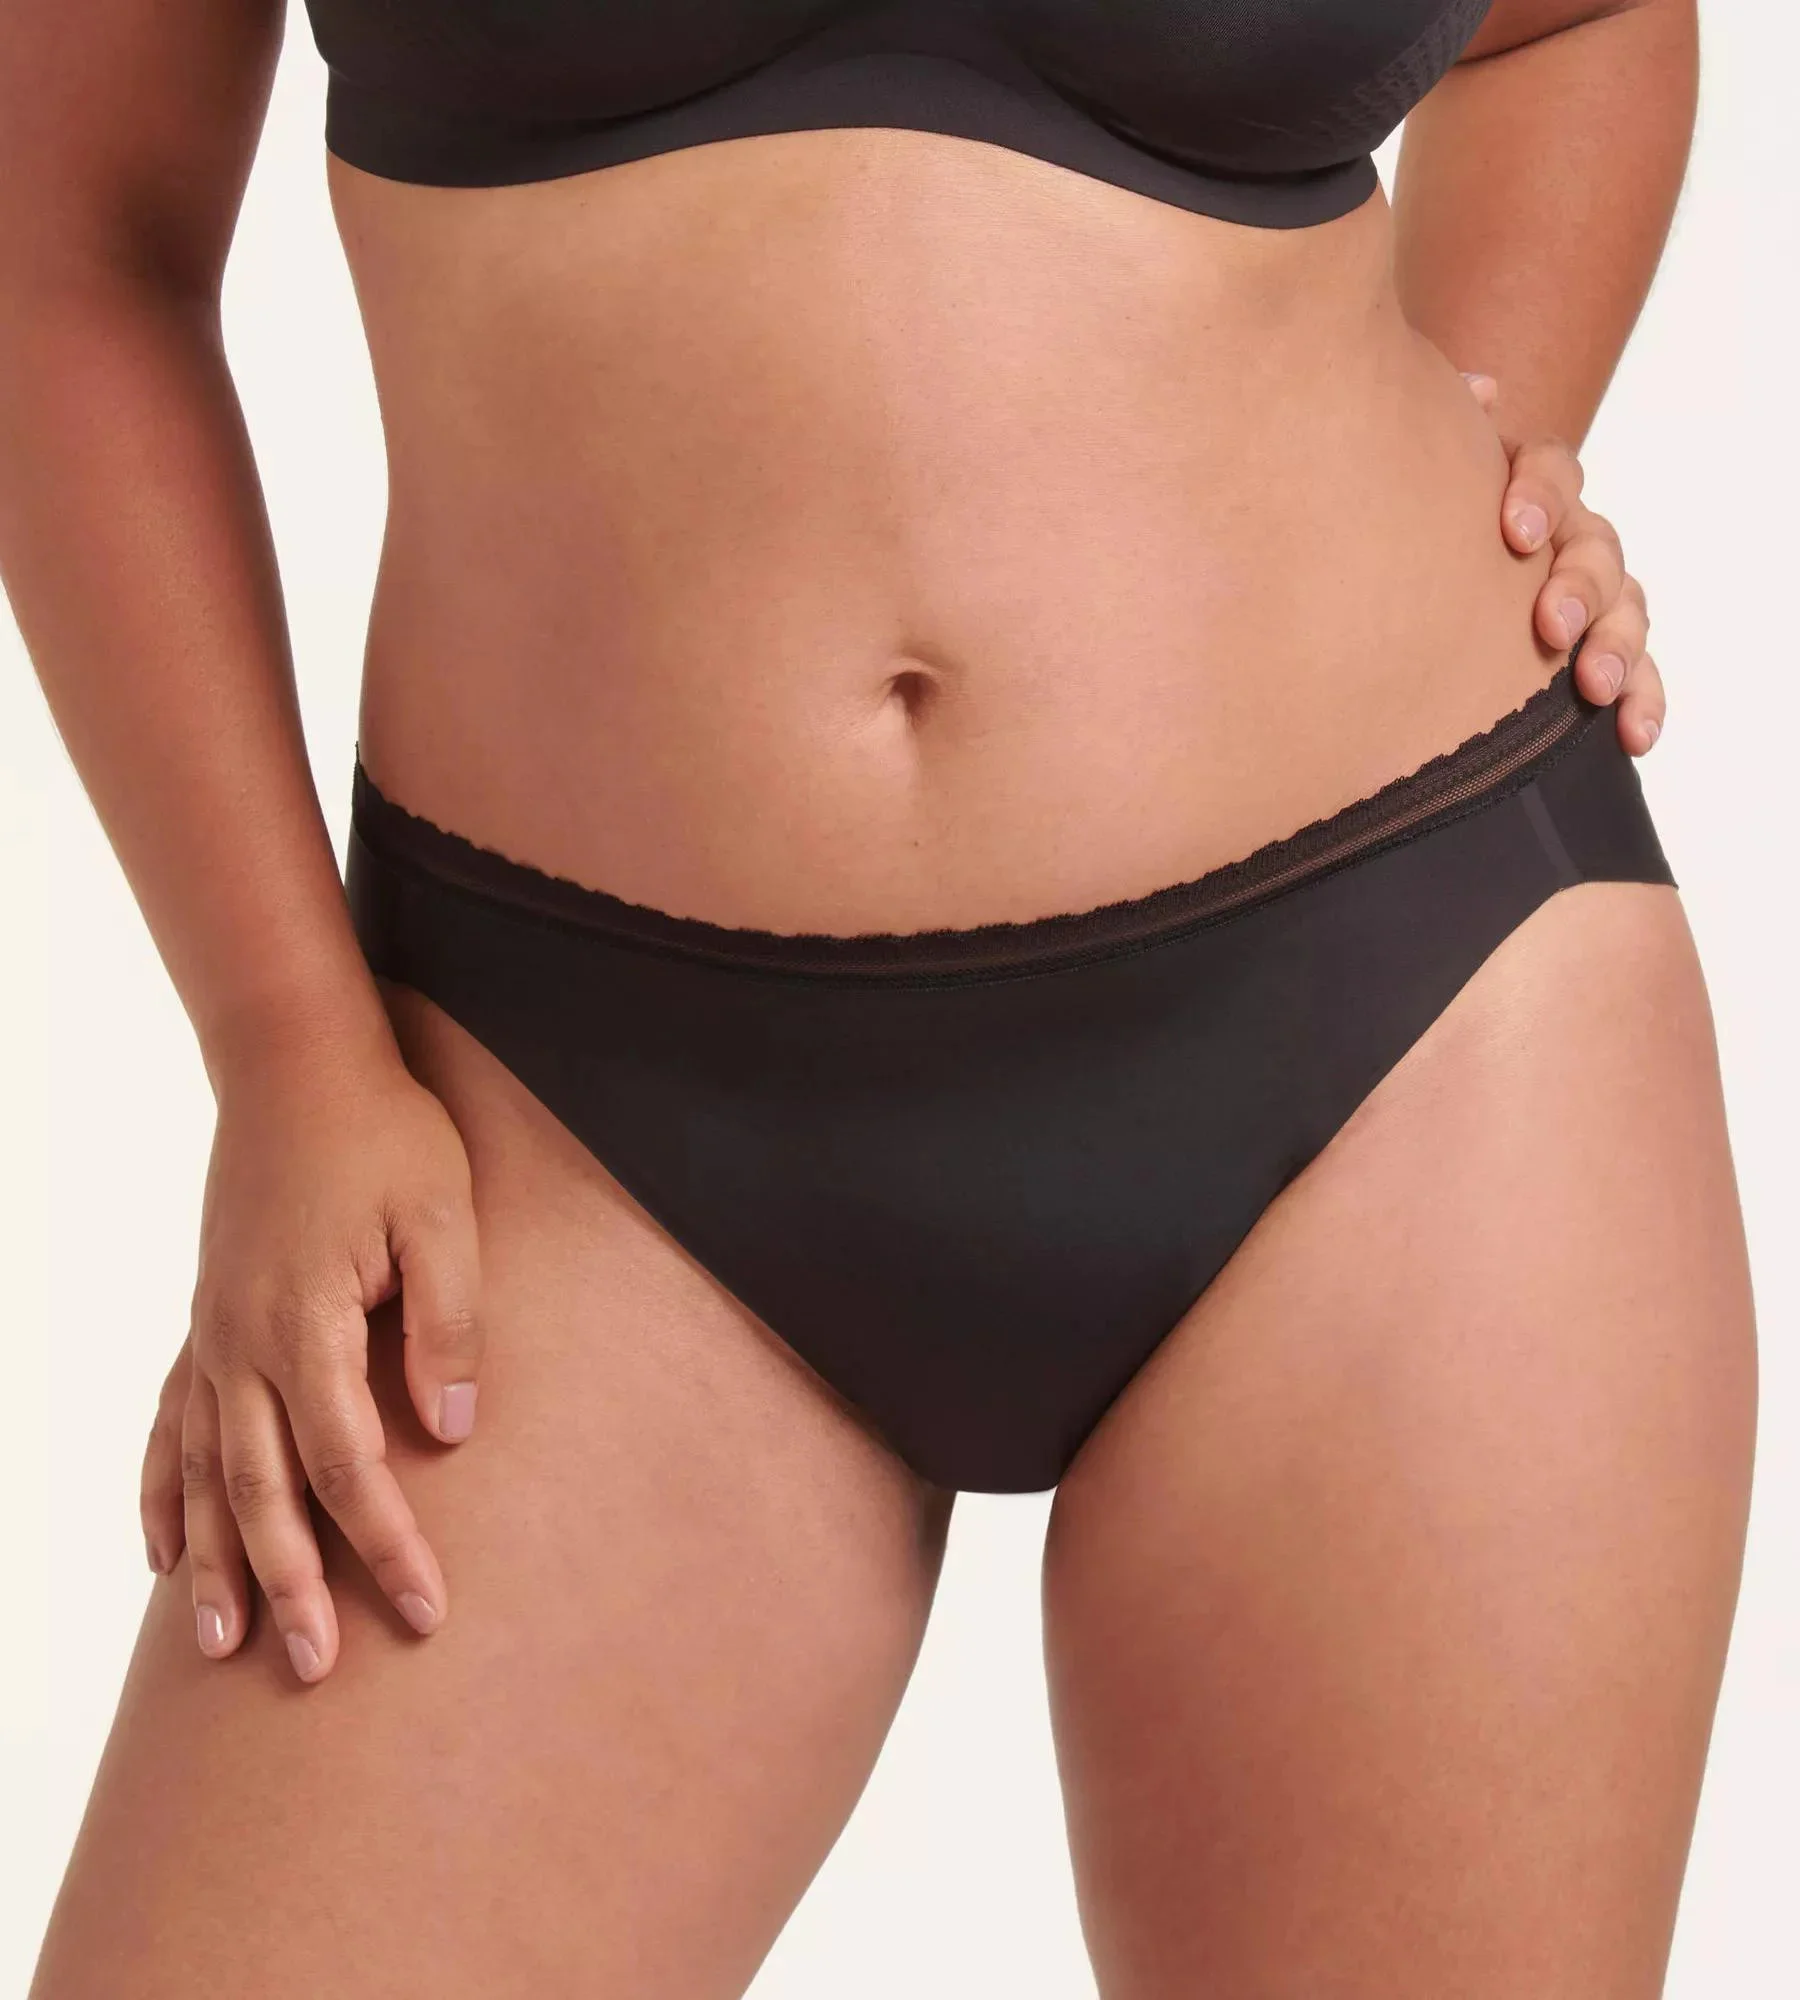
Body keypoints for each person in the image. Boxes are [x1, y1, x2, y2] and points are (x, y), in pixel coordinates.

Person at [6, 1, 1753, 1993]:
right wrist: (285, 1049)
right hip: (556, 1117)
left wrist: (1503, 425)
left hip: (1414, 1014)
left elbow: (1583, 18)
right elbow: (64, 246)